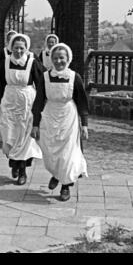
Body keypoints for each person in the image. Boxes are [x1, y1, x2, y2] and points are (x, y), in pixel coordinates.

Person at [31, 43, 89, 202]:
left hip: (68, 117)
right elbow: (39, 101)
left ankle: (66, 186)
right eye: (55, 58)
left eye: (62, 58)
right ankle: (56, 174)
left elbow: (82, 102)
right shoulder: (45, 77)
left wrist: (84, 124)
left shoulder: (74, 77)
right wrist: (35, 124)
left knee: (68, 153)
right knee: (51, 151)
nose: (58, 61)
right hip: (50, 116)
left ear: (68, 58)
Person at [0, 33, 44, 185]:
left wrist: (40, 105)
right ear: (11, 48)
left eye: (21, 48)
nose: (18, 51)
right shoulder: (5, 62)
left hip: (27, 104)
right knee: (10, 135)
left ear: (26, 49)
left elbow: (42, 82)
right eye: (15, 48)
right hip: (9, 102)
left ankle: (22, 170)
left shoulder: (32, 63)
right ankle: (14, 163)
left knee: (25, 138)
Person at [0, 30, 18, 102]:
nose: (11, 41)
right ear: (7, 40)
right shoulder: (4, 51)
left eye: (13, 39)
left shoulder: (20, 51)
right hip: (7, 76)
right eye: (10, 39)